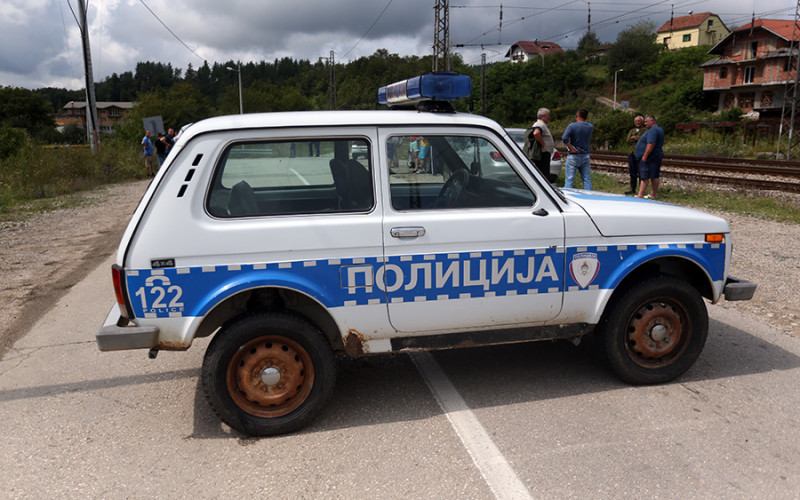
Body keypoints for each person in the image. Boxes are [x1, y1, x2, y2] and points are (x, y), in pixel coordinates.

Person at [562, 108, 594, 190]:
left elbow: (564, 138)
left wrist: (571, 148)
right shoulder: (590, 127)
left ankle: (568, 196)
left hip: (574, 155)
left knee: (569, 179)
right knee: (587, 179)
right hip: (585, 155)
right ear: (586, 117)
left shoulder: (572, 126)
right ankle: (589, 197)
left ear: (576, 116)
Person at [635, 115, 665, 199]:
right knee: (654, 175)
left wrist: (645, 155)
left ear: (652, 121)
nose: (645, 124)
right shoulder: (659, 129)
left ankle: (640, 195)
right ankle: (653, 194)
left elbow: (651, 144)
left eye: (646, 122)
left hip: (650, 157)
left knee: (645, 175)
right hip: (655, 155)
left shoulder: (653, 130)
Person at [530, 108, 555, 181]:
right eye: (548, 115)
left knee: (543, 173)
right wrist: (542, 143)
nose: (549, 117)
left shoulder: (541, 124)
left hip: (544, 153)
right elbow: (536, 133)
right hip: (543, 154)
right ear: (542, 116)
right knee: (544, 173)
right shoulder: (540, 124)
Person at [625, 116, 645, 194]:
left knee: (641, 172)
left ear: (642, 122)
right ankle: (632, 189)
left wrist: (634, 137)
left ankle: (641, 190)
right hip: (631, 153)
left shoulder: (645, 130)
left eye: (639, 121)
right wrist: (636, 139)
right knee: (632, 171)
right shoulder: (632, 130)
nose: (637, 122)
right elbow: (628, 140)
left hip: (641, 153)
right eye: (636, 121)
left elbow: (643, 139)